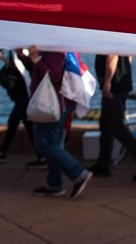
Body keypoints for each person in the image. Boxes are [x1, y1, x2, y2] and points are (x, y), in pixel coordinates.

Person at [30, 50, 92, 198]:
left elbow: (54, 75)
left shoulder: (54, 51)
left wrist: (36, 61)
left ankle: (77, 173)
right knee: (54, 143)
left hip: (54, 105)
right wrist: (30, 59)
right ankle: (54, 183)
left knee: (44, 144)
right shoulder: (58, 49)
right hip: (61, 103)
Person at [89, 54, 136, 181]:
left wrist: (108, 81)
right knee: (106, 125)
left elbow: (112, 55)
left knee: (115, 125)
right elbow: (129, 56)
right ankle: (103, 164)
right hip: (120, 83)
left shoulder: (112, 36)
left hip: (115, 86)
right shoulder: (122, 36)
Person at [0, 48, 46, 169]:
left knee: (27, 123)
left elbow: (25, 67)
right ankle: (2, 151)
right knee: (14, 121)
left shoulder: (21, 47)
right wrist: (2, 58)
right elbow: (18, 67)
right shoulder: (18, 48)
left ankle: (42, 156)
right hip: (22, 91)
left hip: (23, 92)